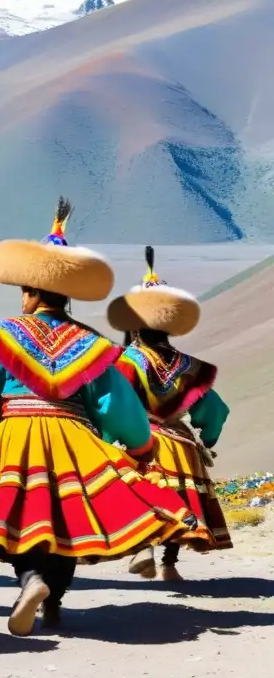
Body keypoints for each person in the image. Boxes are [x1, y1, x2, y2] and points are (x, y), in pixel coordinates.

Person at [0, 197, 195, 637]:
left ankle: (30, 581)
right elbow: (114, 403)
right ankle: (54, 604)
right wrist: (140, 446)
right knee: (64, 523)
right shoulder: (94, 346)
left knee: (18, 517)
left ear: (30, 292)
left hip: (14, 435)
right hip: (73, 437)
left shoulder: (2, 337)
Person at [108, 246, 231, 581]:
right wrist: (207, 436)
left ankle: (142, 548)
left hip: (137, 442)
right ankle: (169, 564)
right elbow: (216, 409)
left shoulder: (123, 363)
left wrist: (102, 437)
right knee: (180, 501)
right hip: (180, 444)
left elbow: (110, 405)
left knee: (138, 493)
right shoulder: (190, 366)